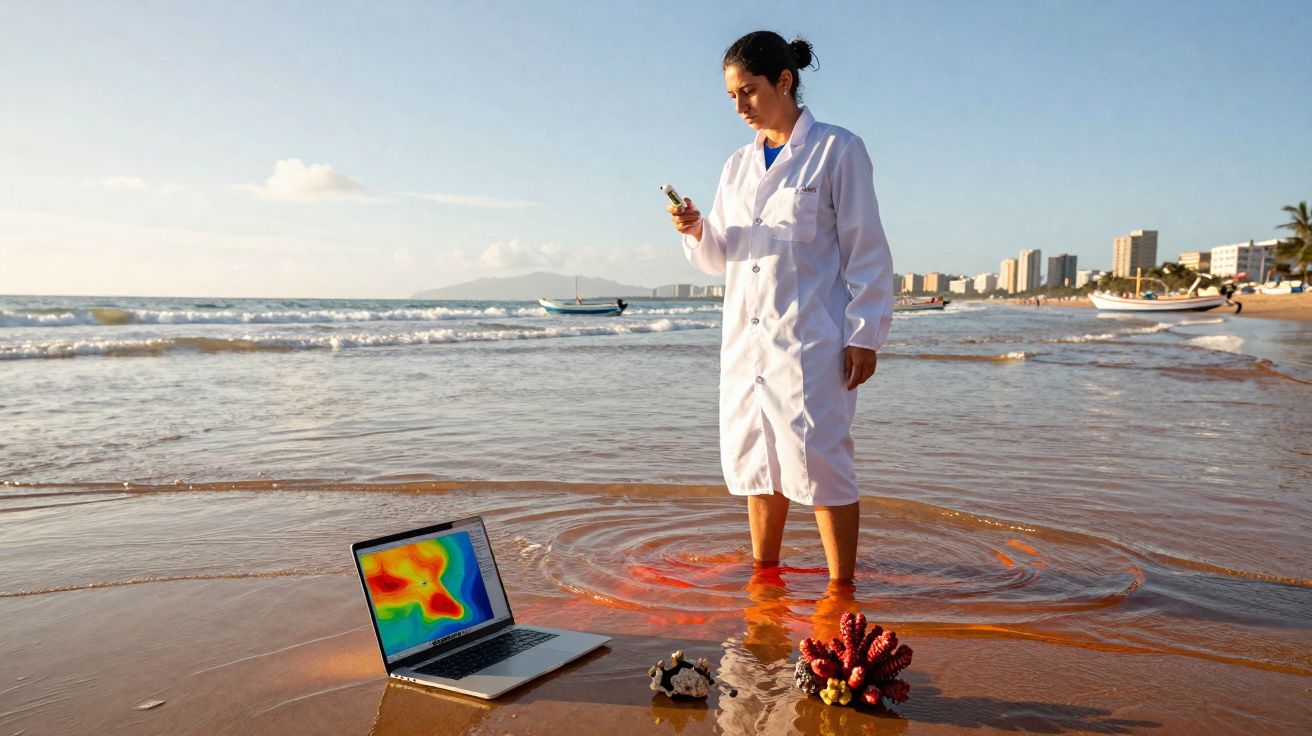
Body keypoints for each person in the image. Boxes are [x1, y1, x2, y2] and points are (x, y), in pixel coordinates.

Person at [666, 31, 894, 582]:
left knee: (822, 460)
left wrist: (865, 334)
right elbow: (721, 257)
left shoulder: (837, 150)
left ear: (784, 81)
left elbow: (868, 250)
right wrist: (696, 228)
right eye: (731, 97)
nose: (740, 106)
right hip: (748, 343)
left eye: (748, 91)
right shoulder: (736, 167)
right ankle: (764, 574)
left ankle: (842, 587)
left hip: (811, 340)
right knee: (757, 460)